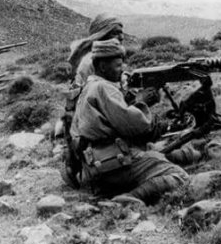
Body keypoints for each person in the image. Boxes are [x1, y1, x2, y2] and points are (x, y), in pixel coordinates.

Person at [69, 40, 189, 206]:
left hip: (96, 164)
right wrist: (142, 102)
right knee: (179, 177)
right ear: (103, 66)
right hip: (112, 165)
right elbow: (136, 125)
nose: (122, 70)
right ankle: (132, 197)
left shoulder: (89, 87)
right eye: (118, 66)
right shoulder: (103, 88)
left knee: (156, 153)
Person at [69, 13, 124, 88]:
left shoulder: (110, 58)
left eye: (121, 32)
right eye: (115, 33)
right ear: (101, 36)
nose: (121, 37)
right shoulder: (89, 63)